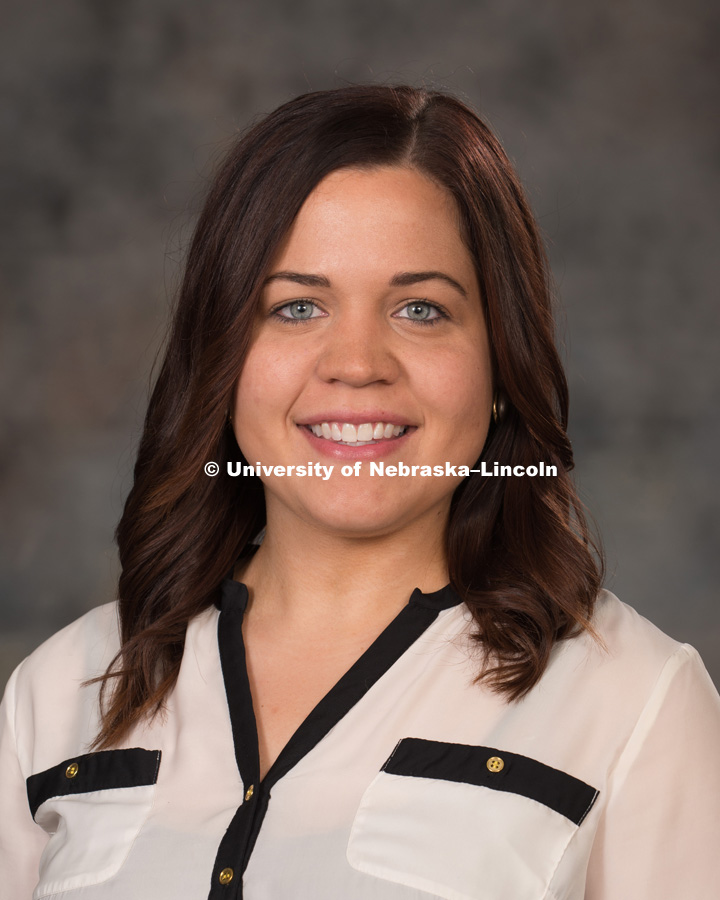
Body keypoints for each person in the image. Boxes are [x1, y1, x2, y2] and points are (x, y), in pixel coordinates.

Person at [1, 84, 718, 900]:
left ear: (498, 363)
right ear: (223, 358)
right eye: (297, 306)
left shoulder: (634, 700)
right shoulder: (61, 691)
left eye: (420, 308)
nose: (357, 362)